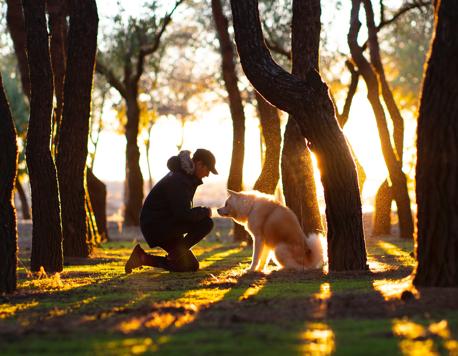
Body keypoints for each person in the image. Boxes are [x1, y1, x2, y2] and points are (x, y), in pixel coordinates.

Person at [125, 148, 217, 273]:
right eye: (208, 170)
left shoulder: (185, 177)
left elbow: (181, 212)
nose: (207, 175)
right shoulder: (179, 180)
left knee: (190, 266)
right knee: (206, 223)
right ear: (200, 164)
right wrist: (205, 212)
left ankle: (142, 258)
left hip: (165, 223)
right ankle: (176, 254)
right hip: (158, 226)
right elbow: (182, 215)